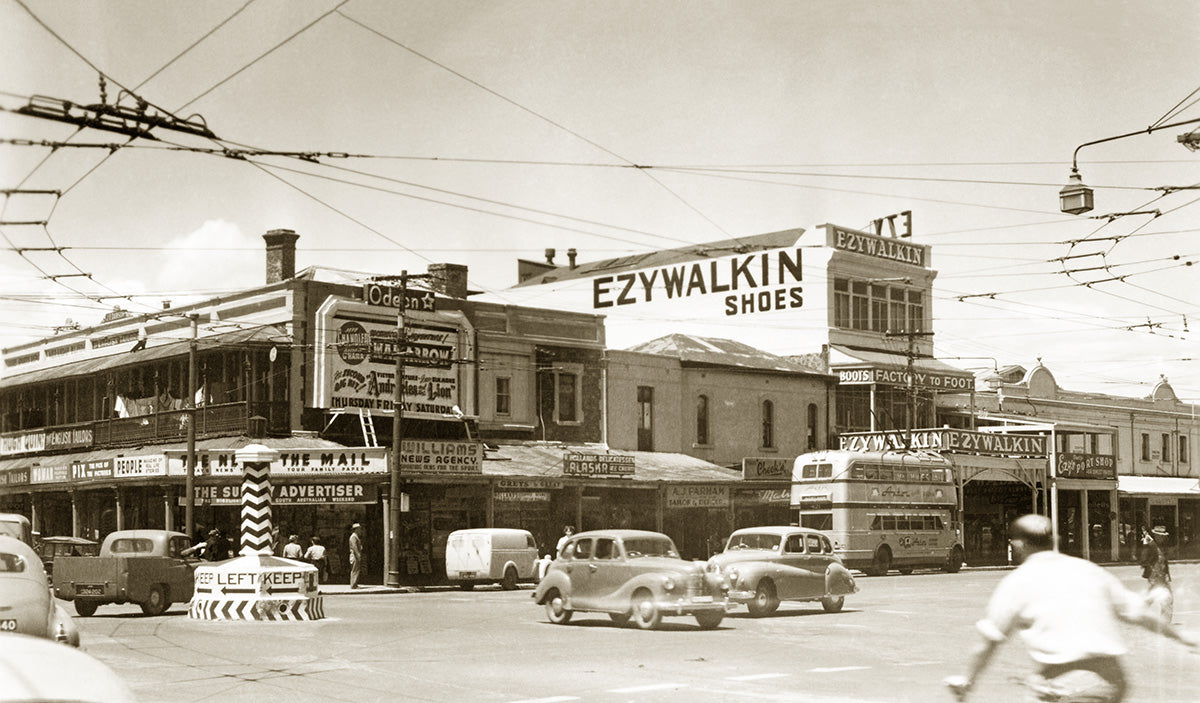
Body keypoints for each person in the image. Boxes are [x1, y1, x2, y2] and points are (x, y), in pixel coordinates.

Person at [945, 514, 1196, 703]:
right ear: (1054, 540)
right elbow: (1137, 613)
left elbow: (989, 641)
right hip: (1112, 680)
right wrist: (1182, 637)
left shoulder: (1017, 581)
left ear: (1018, 545)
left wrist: (967, 681)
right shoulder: (1087, 570)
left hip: (1063, 684)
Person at [1140, 526, 1174, 622]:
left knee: (1152, 597)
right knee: (1166, 598)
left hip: (1161, 577)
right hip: (1155, 577)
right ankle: (1165, 621)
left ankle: (1140, 613)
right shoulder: (1151, 545)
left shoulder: (1160, 547)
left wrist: (1166, 574)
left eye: (1163, 536)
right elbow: (1143, 559)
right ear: (1156, 536)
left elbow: (1164, 563)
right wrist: (1150, 569)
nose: (1162, 538)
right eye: (1160, 536)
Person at [348, 523, 364, 589]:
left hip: (355, 555)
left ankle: (355, 584)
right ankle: (353, 584)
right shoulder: (353, 536)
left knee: (356, 569)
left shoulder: (355, 536)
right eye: (359, 529)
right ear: (356, 529)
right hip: (355, 555)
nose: (360, 530)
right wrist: (358, 554)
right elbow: (354, 547)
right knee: (355, 569)